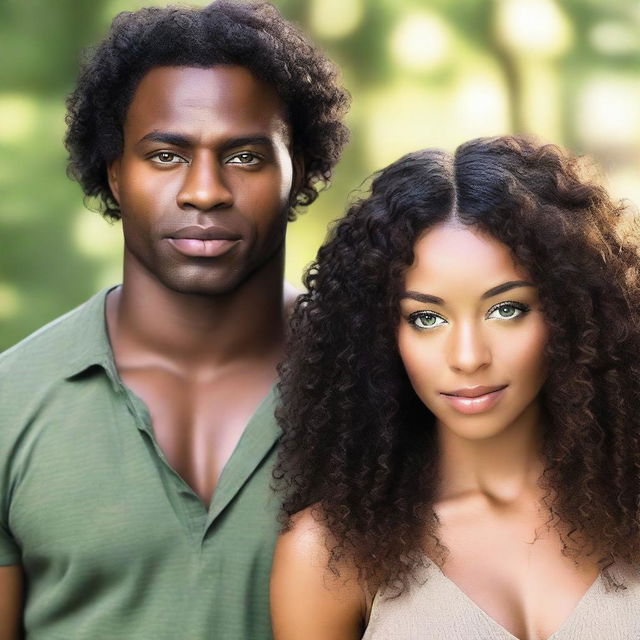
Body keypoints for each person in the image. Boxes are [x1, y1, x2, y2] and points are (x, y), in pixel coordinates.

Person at [0, 2, 349, 638]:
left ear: (298, 171)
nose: (205, 191)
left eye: (245, 156)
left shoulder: (386, 378)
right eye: (166, 155)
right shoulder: (8, 402)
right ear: (114, 173)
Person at [270, 135, 640, 640]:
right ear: (377, 333)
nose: (468, 357)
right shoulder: (331, 553)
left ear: (573, 312)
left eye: (506, 309)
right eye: (426, 318)